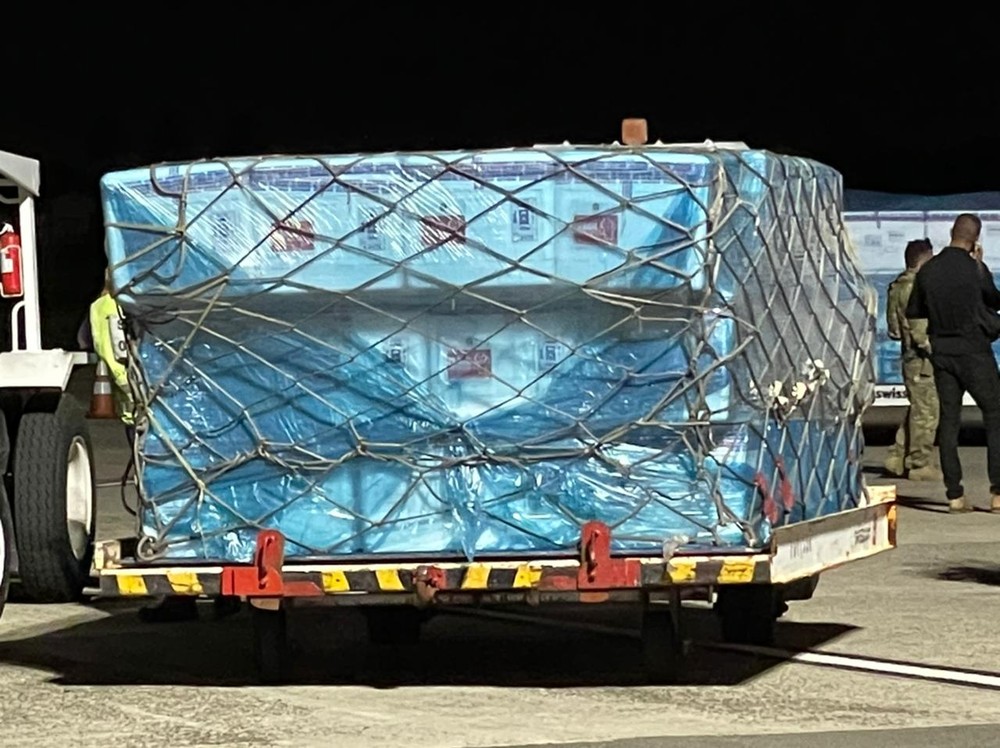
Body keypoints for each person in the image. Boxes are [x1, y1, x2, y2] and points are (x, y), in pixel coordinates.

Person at [90, 269, 240, 622]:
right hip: (189, 410)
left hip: (154, 415)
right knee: (211, 491)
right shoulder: (175, 298)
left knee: (169, 501)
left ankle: (182, 592)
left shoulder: (106, 307)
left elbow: (115, 362)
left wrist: (143, 399)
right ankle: (224, 588)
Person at [906, 214, 1000, 512]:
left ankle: (955, 495)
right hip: (975, 352)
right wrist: (979, 265)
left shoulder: (929, 270)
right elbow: (994, 300)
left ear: (951, 232)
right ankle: (998, 494)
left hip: (942, 353)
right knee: (995, 416)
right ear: (976, 238)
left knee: (949, 421)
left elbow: (914, 310)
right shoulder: (975, 269)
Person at [883, 239, 941, 481]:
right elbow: (918, 329)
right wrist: (935, 347)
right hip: (921, 358)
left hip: (909, 357)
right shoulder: (915, 288)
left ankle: (897, 456)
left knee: (918, 408)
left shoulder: (897, 286)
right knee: (927, 412)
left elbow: (894, 330)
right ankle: (919, 463)